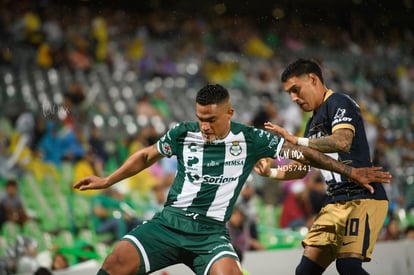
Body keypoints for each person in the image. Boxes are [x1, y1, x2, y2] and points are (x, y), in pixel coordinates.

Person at [73, 83, 391, 275]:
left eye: (211, 120)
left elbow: (301, 154)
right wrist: (107, 180)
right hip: (168, 225)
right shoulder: (183, 133)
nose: (204, 127)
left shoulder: (251, 139)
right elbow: (146, 156)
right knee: (115, 262)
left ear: (229, 113)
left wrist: (349, 171)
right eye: (200, 119)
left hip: (210, 236)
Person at [255, 58, 390, 275]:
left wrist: (297, 140)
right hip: (333, 202)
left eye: (296, 90)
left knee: (348, 267)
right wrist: (270, 171)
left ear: (313, 79)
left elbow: (342, 141)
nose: (293, 98)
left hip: (362, 196)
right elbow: (301, 168)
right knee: (305, 272)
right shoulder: (312, 122)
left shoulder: (339, 102)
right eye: (289, 93)